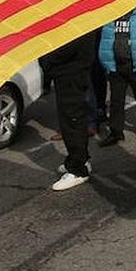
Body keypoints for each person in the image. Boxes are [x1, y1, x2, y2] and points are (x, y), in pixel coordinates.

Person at [41, 30, 99, 191]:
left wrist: (47, 59)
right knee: (71, 118)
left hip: (72, 72)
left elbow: (70, 45)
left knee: (72, 119)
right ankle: (80, 158)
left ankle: (78, 169)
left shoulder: (81, 20)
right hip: (69, 71)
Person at [96, 2, 136, 145]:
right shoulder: (110, 14)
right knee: (116, 101)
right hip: (116, 65)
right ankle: (116, 132)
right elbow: (104, 39)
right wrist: (105, 61)